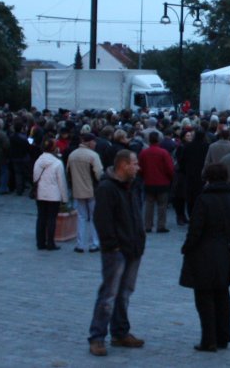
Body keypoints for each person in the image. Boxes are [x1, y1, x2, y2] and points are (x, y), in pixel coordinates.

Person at [88, 149, 145, 357]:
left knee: (125, 293)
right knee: (109, 294)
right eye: (135, 163)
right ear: (123, 165)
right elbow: (102, 220)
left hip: (133, 247)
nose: (138, 167)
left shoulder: (130, 186)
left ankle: (120, 332)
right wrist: (113, 245)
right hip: (117, 250)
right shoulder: (107, 188)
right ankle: (97, 336)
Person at [179, 163, 230, 352]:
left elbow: (195, 229)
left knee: (204, 297)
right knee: (222, 296)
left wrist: (187, 247)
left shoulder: (204, 200)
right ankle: (223, 336)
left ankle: (209, 339)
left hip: (204, 252)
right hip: (225, 250)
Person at [68, 132, 103, 253]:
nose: (95, 143)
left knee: (81, 217)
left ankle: (80, 244)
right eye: (94, 141)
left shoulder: (72, 155)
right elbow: (99, 174)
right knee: (95, 217)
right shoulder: (93, 155)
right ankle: (95, 243)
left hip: (78, 189)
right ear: (89, 142)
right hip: (92, 190)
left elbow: (68, 173)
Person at [33, 137, 67, 251]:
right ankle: (50, 243)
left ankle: (40, 242)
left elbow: (35, 177)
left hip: (41, 193)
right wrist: (64, 197)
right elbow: (61, 182)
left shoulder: (38, 160)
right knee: (51, 219)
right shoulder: (57, 163)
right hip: (54, 194)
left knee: (41, 217)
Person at [139, 131, 175, 233]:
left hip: (149, 181)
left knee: (149, 205)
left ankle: (148, 225)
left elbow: (140, 168)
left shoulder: (144, 153)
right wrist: (170, 178)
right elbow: (170, 168)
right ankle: (161, 225)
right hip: (163, 182)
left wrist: (144, 176)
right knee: (162, 205)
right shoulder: (163, 153)